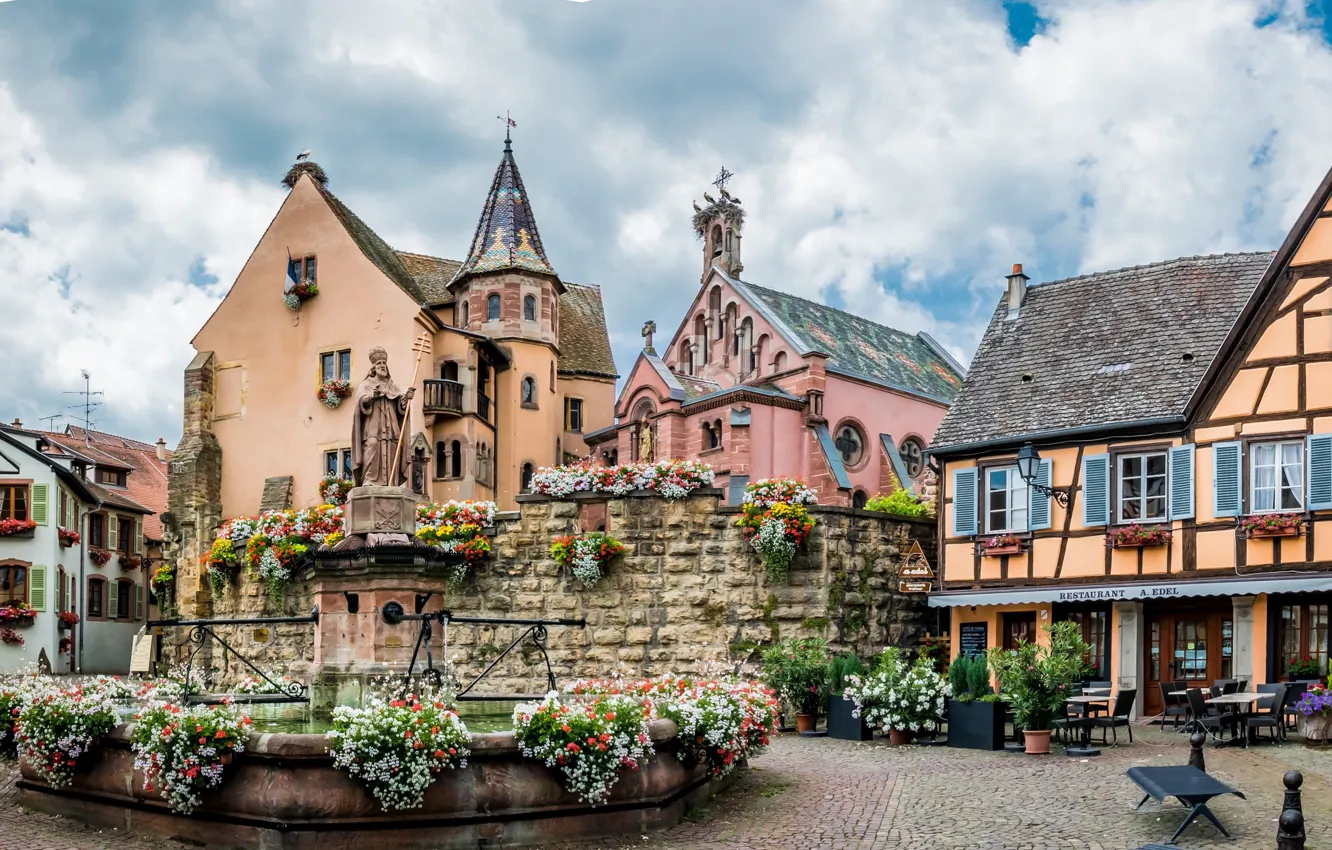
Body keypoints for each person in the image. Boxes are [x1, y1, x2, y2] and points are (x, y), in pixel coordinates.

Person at [350, 347, 415, 487]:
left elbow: (401, 406)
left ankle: (391, 483)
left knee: (392, 447)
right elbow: (361, 401)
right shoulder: (366, 384)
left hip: (391, 425)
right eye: (379, 363)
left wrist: (406, 400)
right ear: (373, 367)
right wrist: (372, 397)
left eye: (384, 363)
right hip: (373, 424)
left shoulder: (392, 385)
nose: (382, 365)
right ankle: (369, 481)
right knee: (372, 445)